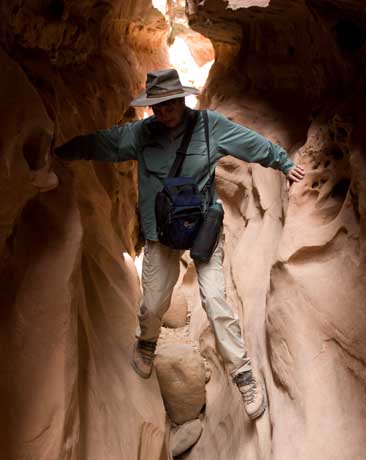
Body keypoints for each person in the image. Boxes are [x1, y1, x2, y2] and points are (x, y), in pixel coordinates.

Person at [55, 68, 305, 420]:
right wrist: (64, 149)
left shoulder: (209, 127)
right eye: (155, 108)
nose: (161, 114)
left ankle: (243, 374)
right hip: (160, 235)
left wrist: (283, 162)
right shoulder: (141, 135)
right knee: (154, 302)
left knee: (216, 301)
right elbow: (105, 143)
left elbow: (250, 143)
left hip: (202, 229)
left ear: (181, 100)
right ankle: (147, 341)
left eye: (167, 106)